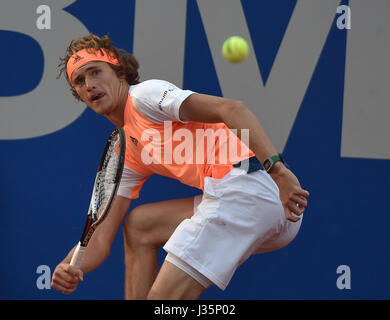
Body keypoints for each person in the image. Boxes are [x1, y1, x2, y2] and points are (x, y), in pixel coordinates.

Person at [51, 33, 309, 299]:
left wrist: (278, 171)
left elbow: (232, 109)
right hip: (261, 205)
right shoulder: (126, 151)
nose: (89, 84)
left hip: (252, 188)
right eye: (79, 81)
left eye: (95, 72)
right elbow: (100, 237)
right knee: (140, 225)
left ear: (120, 73)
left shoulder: (144, 97)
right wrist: (69, 265)